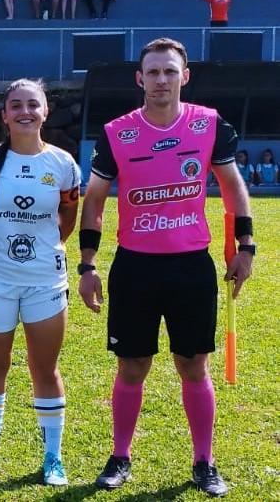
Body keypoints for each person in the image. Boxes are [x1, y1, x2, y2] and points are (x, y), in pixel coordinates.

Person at [79, 37, 255, 497]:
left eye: (170, 71)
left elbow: (233, 187)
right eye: (153, 72)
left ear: (185, 76)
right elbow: (94, 201)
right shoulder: (117, 132)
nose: (161, 80)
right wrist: (87, 265)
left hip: (191, 267)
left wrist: (246, 246)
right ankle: (120, 456)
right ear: (140, 79)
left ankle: (204, 462)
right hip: (135, 267)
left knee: (193, 365)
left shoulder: (210, 124)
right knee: (132, 366)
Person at [0, 79, 80, 486]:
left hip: (45, 281)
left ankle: (53, 458)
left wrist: (42, 250)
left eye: (33, 104)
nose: (25, 112)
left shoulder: (63, 164)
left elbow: (68, 217)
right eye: (16, 105)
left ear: (45, 112)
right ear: (4, 115)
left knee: (44, 368)